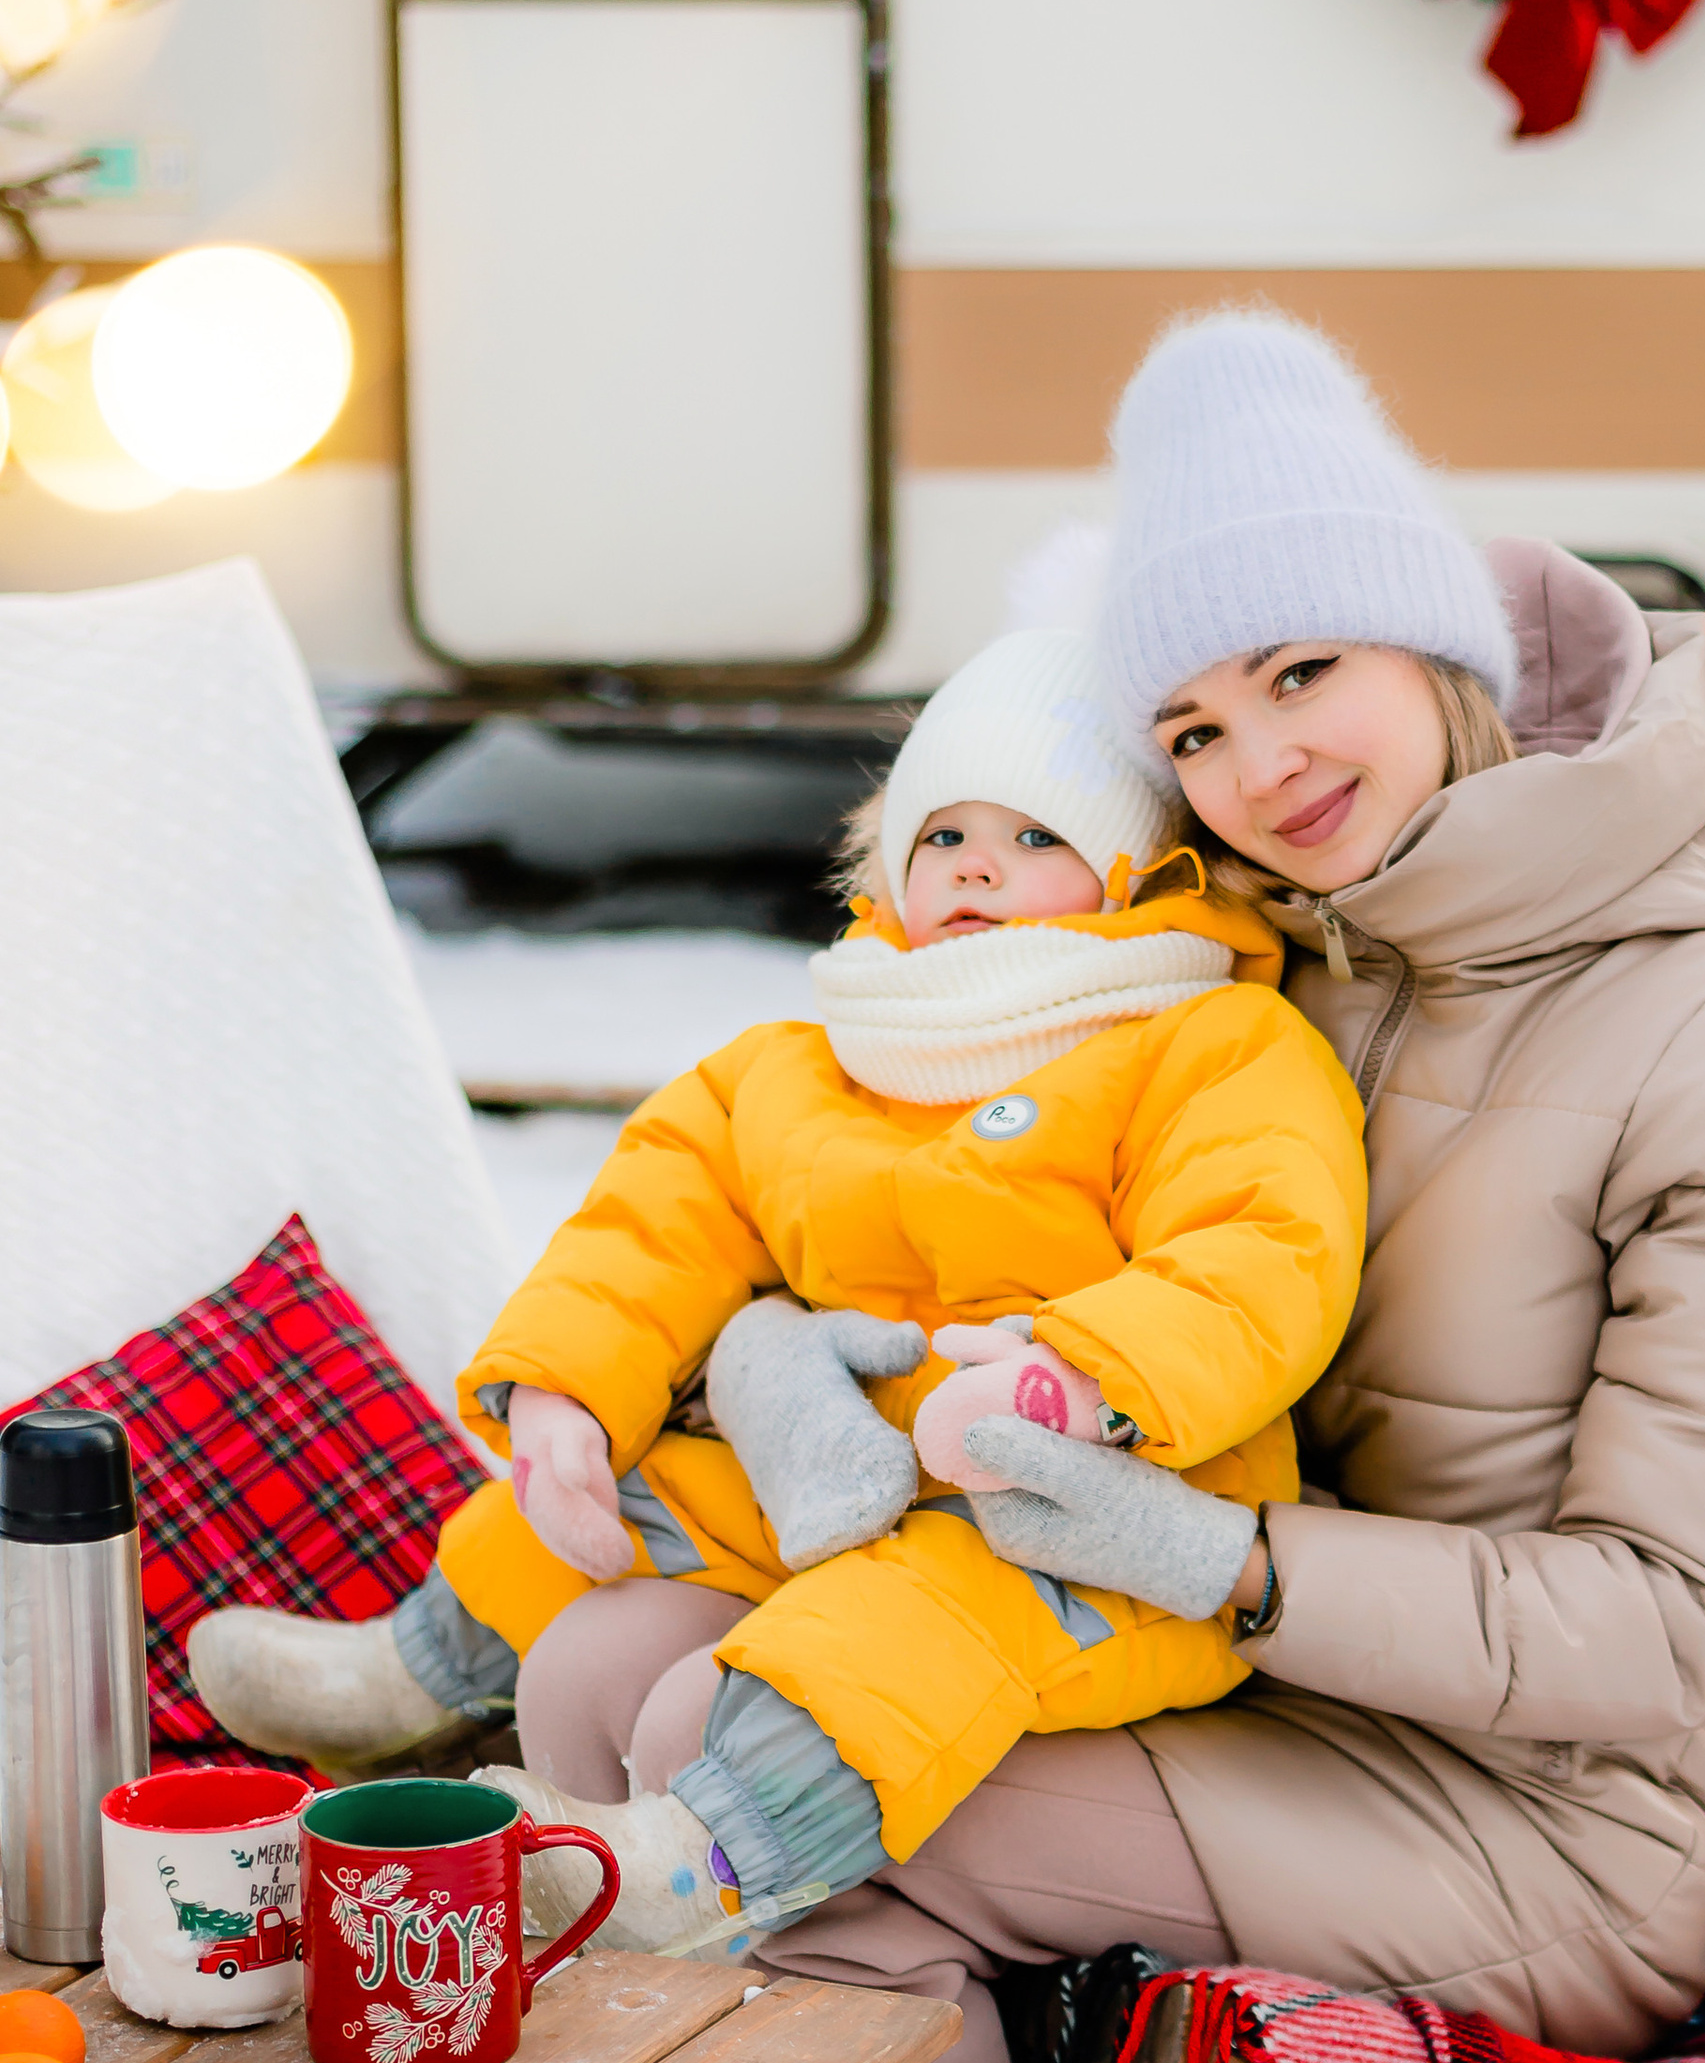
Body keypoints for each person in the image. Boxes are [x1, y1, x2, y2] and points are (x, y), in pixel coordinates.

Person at [609, 309, 1705, 2063]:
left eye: (1298, 670)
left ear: (1425, 643)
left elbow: (1671, 1630)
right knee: (625, 1661)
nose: (1255, 765)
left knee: (762, 1778)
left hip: (1552, 1808)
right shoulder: (1324, 933)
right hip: (1251, 1668)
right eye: (1189, 725)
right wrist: (809, 1338)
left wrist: (1210, 1552)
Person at [188, 623, 1368, 1970]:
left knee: (901, 1636)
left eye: (1039, 839)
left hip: (1078, 1510)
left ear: (1136, 873)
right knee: (621, 1502)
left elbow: (1262, 1247)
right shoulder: (807, 1058)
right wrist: (570, 1388)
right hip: (824, 1466)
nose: (980, 864)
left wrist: (1088, 1378)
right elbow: (655, 1222)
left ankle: (707, 1857)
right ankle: (406, 1680)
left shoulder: (1207, 1044)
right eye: (944, 837)